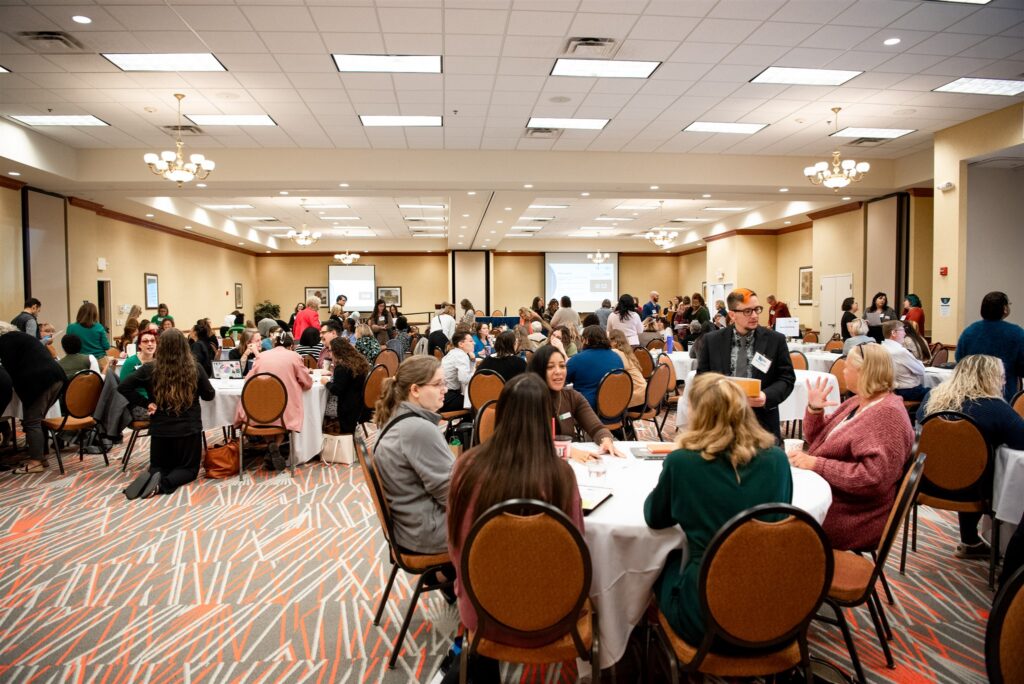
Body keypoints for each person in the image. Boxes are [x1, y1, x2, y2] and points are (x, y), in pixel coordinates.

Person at [445, 373, 583, 684]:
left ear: (501, 413)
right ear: (545, 418)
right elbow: (576, 553)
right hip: (553, 617)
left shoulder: (466, 467)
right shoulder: (560, 475)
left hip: (481, 610)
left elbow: (456, 545)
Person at [645, 372, 792, 646]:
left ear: (699, 413)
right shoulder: (777, 461)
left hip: (705, 615)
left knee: (659, 562)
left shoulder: (682, 463)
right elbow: (782, 520)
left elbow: (654, 518)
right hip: (774, 607)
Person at [789, 343, 914, 550]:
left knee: (780, 519)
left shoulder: (888, 415)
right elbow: (817, 439)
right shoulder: (859, 401)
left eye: (847, 367)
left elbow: (872, 479)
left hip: (854, 514)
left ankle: (793, 573)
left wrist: (817, 464)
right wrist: (814, 409)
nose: (843, 371)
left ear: (864, 372)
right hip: (837, 495)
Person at [917, 354, 1024, 559]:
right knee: (978, 466)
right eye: (1001, 377)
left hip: (927, 483)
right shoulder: (995, 408)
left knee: (962, 463)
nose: (1003, 382)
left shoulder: (931, 398)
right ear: (990, 378)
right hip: (975, 491)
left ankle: (970, 540)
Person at [119, 329, 216, 498]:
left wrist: (146, 403)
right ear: (184, 347)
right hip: (188, 429)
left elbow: (123, 387)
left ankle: (151, 477)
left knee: (158, 467)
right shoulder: (194, 368)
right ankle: (162, 485)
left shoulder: (149, 368)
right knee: (189, 470)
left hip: (160, 430)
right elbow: (209, 395)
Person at [373, 356, 455, 554]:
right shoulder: (418, 429)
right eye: (437, 384)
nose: (445, 389)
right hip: (429, 533)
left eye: (444, 383)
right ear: (415, 390)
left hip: (410, 527)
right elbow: (450, 494)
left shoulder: (395, 417)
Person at [696, 288, 795, 441]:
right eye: (748, 311)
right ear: (732, 315)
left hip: (761, 423)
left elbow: (786, 378)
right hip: (720, 422)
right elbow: (701, 379)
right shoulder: (712, 340)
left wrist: (766, 396)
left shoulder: (775, 340)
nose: (755, 315)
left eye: (757, 309)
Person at [234, 331, 313, 470]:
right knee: (282, 418)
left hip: (257, 411)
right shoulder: (294, 356)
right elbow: (307, 383)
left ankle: (271, 445)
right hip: (283, 412)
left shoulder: (262, 356)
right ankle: (275, 447)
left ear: (274, 344)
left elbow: (249, 381)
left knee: (266, 418)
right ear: (291, 347)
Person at [527, 345, 622, 456]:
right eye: (550, 367)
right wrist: (568, 451)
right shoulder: (527, 399)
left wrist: (605, 440)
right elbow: (529, 444)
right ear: (539, 371)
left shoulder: (572, 396)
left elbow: (596, 427)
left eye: (562, 366)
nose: (558, 371)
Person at [0, 325, 65, 473]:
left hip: (41, 381)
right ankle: (40, 457)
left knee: (32, 421)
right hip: (55, 377)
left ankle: (36, 461)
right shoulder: (21, 338)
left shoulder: (5, 342)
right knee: (36, 419)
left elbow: (9, 369)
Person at [956, 291, 1024, 401]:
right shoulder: (1016, 333)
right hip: (1003, 394)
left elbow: (959, 360)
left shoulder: (969, 331)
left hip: (970, 393)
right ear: (1005, 309)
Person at [565, 326, 624, 411]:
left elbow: (562, 380)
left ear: (586, 340)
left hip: (587, 413)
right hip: (616, 410)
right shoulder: (617, 357)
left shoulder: (577, 359)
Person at [322, 336, 370, 435]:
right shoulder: (358, 361)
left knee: (320, 407)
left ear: (337, 351)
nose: (329, 354)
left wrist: (326, 382)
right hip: (362, 406)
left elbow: (336, 390)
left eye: (330, 351)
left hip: (348, 410)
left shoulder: (342, 367)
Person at [882, 320, 927, 401]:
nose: (905, 333)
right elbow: (921, 370)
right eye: (902, 330)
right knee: (938, 393)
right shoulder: (900, 352)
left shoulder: (881, 348)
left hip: (890, 390)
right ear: (893, 333)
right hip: (909, 391)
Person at [608, 329, 647, 411]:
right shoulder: (628, 353)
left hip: (636, 400)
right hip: (645, 396)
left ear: (614, 341)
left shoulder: (616, 352)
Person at [441, 331, 474, 412]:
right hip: (448, 397)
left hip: (442, 393)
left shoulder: (454, 352)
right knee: (476, 403)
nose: (474, 343)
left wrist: (472, 360)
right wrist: (476, 372)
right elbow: (464, 379)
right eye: (470, 341)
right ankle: (467, 424)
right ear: (461, 344)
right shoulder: (461, 355)